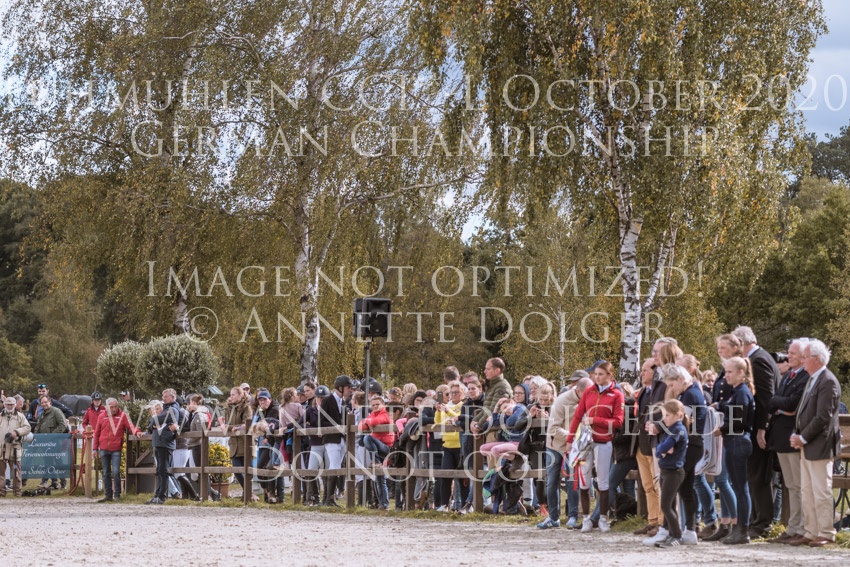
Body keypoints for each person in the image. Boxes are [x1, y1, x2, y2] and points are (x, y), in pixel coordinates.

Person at [789, 339, 842, 547]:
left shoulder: (827, 381)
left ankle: (826, 532)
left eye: (805, 357)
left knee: (821, 490)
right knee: (807, 490)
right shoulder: (813, 379)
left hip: (820, 444)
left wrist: (803, 437)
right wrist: (798, 434)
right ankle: (811, 531)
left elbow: (823, 417)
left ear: (817, 359)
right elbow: (804, 411)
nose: (802, 360)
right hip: (808, 444)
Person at [732, 326, 781, 538]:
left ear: (741, 343)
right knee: (754, 476)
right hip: (757, 428)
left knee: (759, 476)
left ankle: (762, 524)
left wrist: (762, 428)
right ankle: (755, 521)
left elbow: (766, 398)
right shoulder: (758, 357)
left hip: (761, 429)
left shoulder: (758, 360)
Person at [566, 361, 625, 533]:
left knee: (603, 481)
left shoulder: (616, 394)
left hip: (604, 441)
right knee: (584, 480)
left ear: (610, 375)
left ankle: (603, 518)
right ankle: (586, 518)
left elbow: (618, 421)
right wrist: (570, 439)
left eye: (601, 374)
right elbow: (577, 416)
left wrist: (595, 420)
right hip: (586, 442)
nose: (597, 377)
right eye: (595, 374)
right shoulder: (588, 392)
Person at [766, 338, 809, 544]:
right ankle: (793, 527)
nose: (788, 356)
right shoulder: (789, 376)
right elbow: (772, 401)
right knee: (790, 484)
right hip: (782, 436)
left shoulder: (805, 377)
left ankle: (801, 527)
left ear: (803, 356)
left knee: (798, 485)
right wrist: (781, 406)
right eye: (788, 352)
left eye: (792, 353)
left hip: (793, 435)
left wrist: (780, 405)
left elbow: (792, 404)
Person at [538, 373, 593, 529]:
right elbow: (553, 428)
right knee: (552, 481)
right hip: (555, 445)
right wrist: (573, 436)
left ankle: (573, 516)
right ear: (579, 391)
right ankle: (553, 517)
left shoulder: (589, 400)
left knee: (572, 481)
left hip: (574, 447)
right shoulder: (561, 401)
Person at [714, 356, 756, 544]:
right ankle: (738, 528)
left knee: (741, 487)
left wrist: (722, 429)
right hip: (733, 441)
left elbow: (739, 420)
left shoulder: (742, 392)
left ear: (741, 373)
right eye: (726, 372)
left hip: (739, 440)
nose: (726, 376)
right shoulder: (736, 392)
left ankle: (743, 529)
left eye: (730, 372)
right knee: (737, 486)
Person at [634, 358, 664, 538]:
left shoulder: (661, 390)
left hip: (654, 441)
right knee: (647, 486)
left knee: (657, 484)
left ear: (654, 371)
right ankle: (652, 520)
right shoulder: (644, 391)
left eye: (645, 370)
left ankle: (661, 522)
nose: (642, 374)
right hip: (641, 442)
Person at [654, 399, 689, 548]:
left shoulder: (678, 429)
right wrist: (662, 450)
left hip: (674, 472)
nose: (664, 419)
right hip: (665, 471)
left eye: (667, 415)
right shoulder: (670, 429)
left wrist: (662, 449)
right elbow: (659, 449)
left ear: (678, 415)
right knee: (670, 505)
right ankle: (670, 534)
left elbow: (664, 447)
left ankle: (677, 536)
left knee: (666, 506)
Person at [92, 397, 138, 502]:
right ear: (107, 407)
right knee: (105, 472)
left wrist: (137, 432)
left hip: (116, 448)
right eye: (111, 407)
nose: (114, 409)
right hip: (103, 448)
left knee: (116, 472)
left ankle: (117, 494)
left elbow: (131, 426)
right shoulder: (101, 416)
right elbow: (97, 433)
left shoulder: (122, 416)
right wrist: (95, 448)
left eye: (115, 406)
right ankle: (108, 495)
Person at [359, 395, 395, 510]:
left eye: (377, 404)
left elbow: (377, 421)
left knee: (367, 438)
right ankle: (384, 504)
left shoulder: (385, 414)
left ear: (383, 405)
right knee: (380, 478)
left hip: (386, 448)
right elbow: (360, 426)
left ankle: (375, 461)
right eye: (373, 405)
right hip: (377, 448)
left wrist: (367, 422)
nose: (375, 406)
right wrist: (367, 422)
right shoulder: (372, 415)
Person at [146, 390, 181, 504]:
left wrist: (155, 421)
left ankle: (161, 497)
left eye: (166, 397)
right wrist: (154, 423)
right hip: (159, 442)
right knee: (160, 471)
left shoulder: (172, 409)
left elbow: (156, 419)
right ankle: (158, 495)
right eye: (163, 396)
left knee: (163, 471)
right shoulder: (166, 409)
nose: (163, 398)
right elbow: (151, 424)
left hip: (165, 443)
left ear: (172, 397)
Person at [187, 394, 220, 501]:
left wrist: (190, 439)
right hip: (197, 444)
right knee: (200, 471)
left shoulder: (199, 415)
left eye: (190, 403)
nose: (189, 405)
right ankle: (211, 493)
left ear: (194, 403)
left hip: (198, 445)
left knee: (202, 471)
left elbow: (200, 432)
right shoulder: (197, 414)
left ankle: (208, 494)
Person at [35, 396, 69, 490]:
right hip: (45, 443)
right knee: (47, 462)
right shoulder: (42, 414)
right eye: (42, 403)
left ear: (50, 402)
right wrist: (35, 436)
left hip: (55, 442)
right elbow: (39, 426)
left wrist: (51, 436)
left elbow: (62, 425)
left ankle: (63, 482)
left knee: (58, 461)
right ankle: (53, 482)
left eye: (45, 402)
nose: (44, 404)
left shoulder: (56, 411)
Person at [224, 386, 253, 494]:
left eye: (233, 394)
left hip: (244, 442)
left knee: (248, 471)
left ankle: (248, 493)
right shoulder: (229, 409)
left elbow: (246, 424)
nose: (231, 397)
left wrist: (233, 427)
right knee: (236, 470)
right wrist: (231, 427)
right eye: (230, 395)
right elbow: (226, 425)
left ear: (240, 395)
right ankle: (248, 492)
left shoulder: (247, 408)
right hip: (233, 443)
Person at [0, 396, 31, 497]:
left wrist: (16, 432)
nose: (9, 406)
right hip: (2, 448)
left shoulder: (20, 416)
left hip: (14, 448)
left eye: (12, 404)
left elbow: (27, 427)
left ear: (14, 405)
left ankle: (17, 492)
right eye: (8, 404)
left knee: (16, 472)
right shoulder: (0, 416)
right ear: (5, 405)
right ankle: (1, 492)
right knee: (1, 473)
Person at [472, 357, 511, 433]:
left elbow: (493, 409)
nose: (484, 371)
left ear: (497, 370)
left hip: (497, 430)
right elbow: (486, 409)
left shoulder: (502, 386)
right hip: (490, 428)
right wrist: (474, 421)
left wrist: (478, 425)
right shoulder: (492, 386)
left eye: (488, 369)